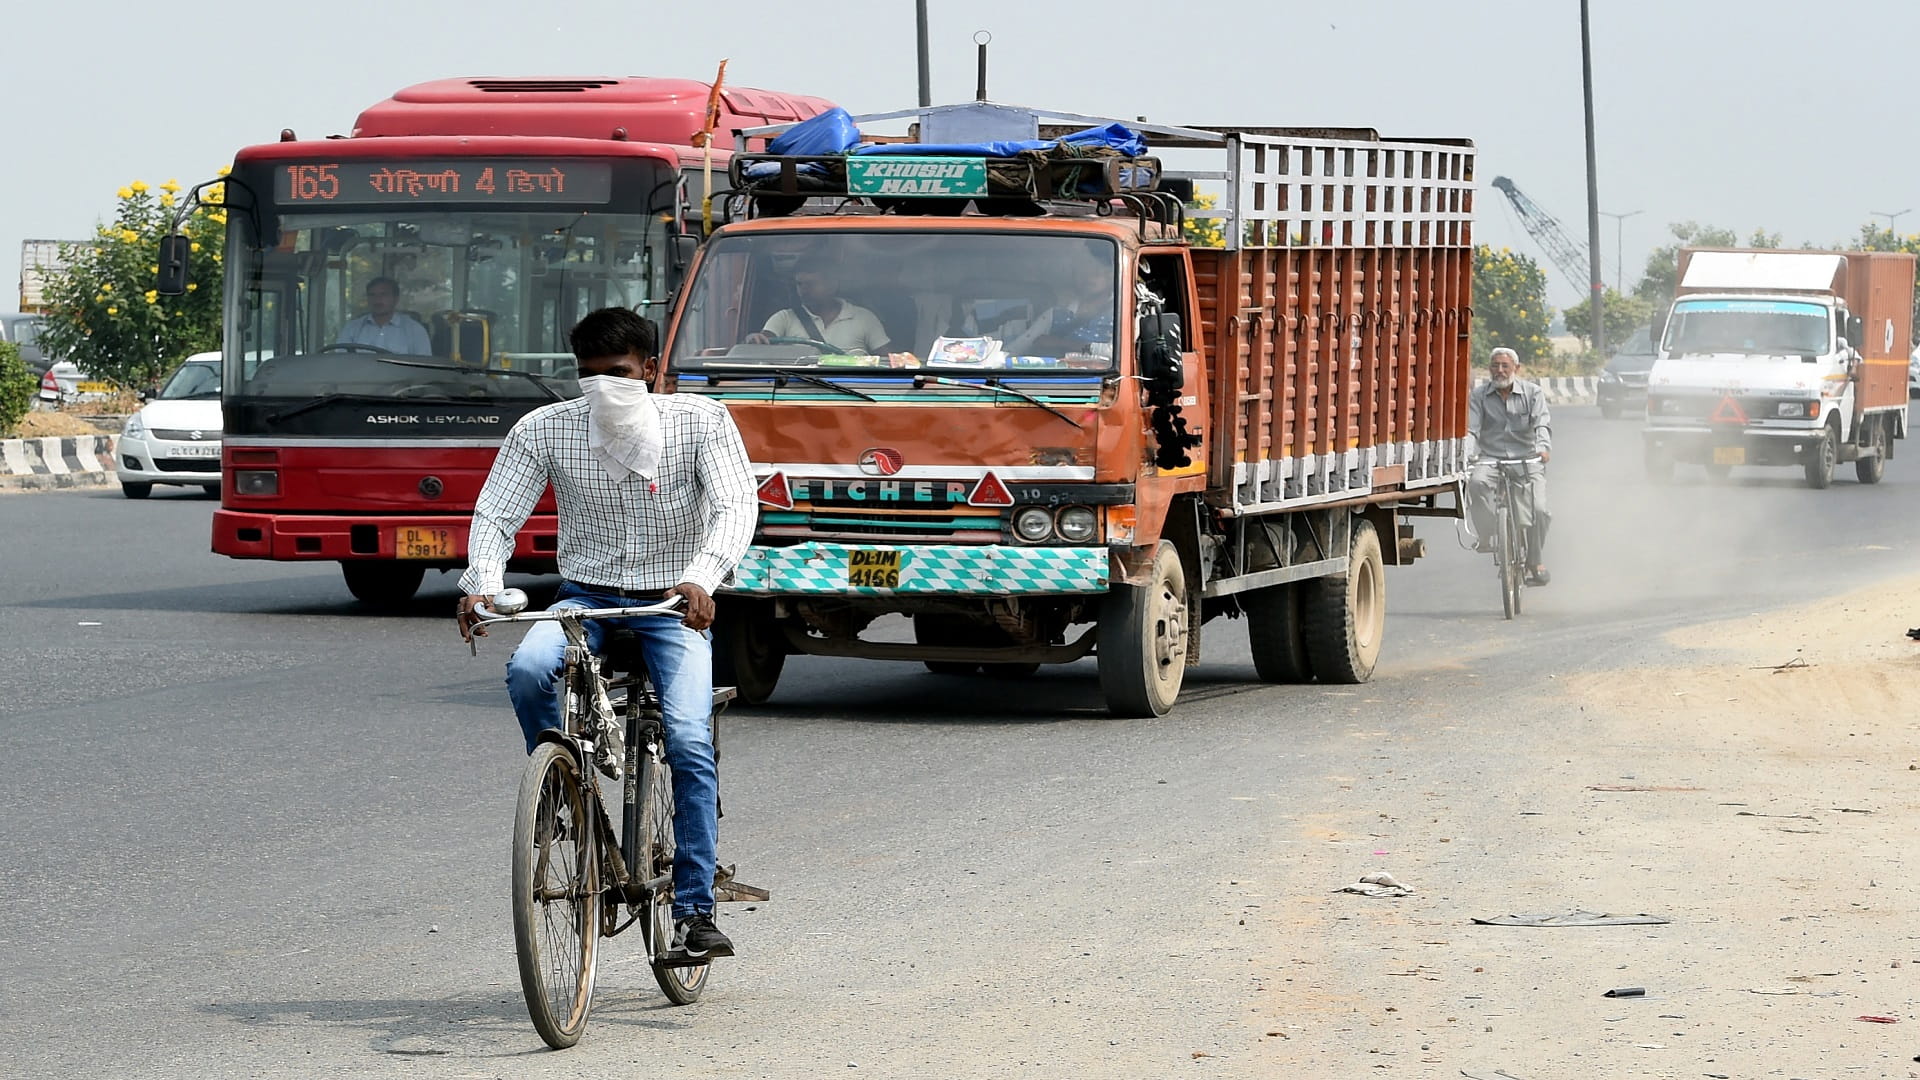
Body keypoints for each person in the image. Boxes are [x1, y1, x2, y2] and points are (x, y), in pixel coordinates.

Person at [455, 307, 757, 960]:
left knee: (687, 738)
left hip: (673, 602)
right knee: (530, 670)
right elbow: (496, 511)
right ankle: (559, 783)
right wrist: (480, 580)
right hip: (585, 597)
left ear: (650, 370)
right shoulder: (546, 430)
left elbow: (736, 506)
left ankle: (693, 910)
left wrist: (704, 577)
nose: (603, 389)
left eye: (619, 374)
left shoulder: (701, 423)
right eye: (588, 377)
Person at [1467, 347, 1552, 586]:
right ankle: (1488, 532)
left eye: (1505, 366)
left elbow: (1541, 425)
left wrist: (1543, 448)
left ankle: (1534, 561)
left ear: (1517, 368)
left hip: (1526, 459)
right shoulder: (1480, 396)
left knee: (1539, 510)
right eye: (1495, 365)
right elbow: (1472, 430)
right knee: (1476, 483)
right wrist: (1467, 454)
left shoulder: (1533, 393)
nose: (1500, 371)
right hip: (1491, 459)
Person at [746, 255, 891, 354]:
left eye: (811, 284)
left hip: (856, 391)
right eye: (799, 284)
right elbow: (764, 341)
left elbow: (888, 360)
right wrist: (754, 339)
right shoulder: (784, 318)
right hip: (794, 390)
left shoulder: (863, 318)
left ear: (832, 285)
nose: (803, 290)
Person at [1004, 241, 1116, 358]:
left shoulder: (1121, 313)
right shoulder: (1056, 314)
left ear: (1112, 275)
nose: (1089, 275)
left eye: (1098, 269)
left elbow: (1113, 353)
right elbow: (1017, 347)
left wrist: (1061, 343)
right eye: (1084, 268)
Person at [337, 276, 433, 354]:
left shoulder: (414, 330)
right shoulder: (352, 328)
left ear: (396, 299)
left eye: (383, 295)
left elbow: (423, 368)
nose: (377, 300)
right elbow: (340, 362)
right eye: (372, 295)